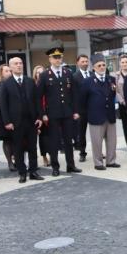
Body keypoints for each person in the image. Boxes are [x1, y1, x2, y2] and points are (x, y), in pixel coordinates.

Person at [35, 47, 81, 177]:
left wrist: (76, 110)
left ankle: (71, 165)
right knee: (54, 141)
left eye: (59, 57)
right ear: (50, 59)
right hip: (52, 114)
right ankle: (55, 167)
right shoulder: (45, 75)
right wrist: (42, 114)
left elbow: (74, 94)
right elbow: (38, 97)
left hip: (67, 113)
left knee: (68, 140)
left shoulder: (68, 73)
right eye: (55, 57)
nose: (57, 60)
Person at [1, 58, 44, 183]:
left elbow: (37, 101)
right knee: (18, 148)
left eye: (20, 63)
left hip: (31, 120)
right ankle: (22, 173)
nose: (19, 65)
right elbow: (3, 105)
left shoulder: (30, 81)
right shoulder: (6, 84)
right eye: (16, 64)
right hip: (15, 122)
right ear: (10, 67)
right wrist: (7, 122)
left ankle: (33, 171)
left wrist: (39, 117)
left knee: (32, 147)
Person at [80, 54, 119, 171]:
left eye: (103, 65)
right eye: (99, 65)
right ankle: (98, 162)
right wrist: (86, 114)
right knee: (97, 142)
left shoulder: (111, 79)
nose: (102, 67)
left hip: (110, 115)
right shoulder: (87, 82)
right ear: (94, 68)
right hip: (96, 116)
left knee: (112, 141)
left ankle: (111, 161)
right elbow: (82, 100)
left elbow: (113, 95)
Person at [0, 65, 16, 172]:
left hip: (16, 116)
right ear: (1, 73)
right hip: (4, 116)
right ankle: (10, 162)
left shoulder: (15, 83)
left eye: (10, 71)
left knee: (16, 139)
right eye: (6, 71)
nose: (9, 72)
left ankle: (18, 160)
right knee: (7, 140)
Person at [72, 54, 91, 163]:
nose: (85, 63)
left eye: (86, 61)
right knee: (81, 133)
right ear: (78, 63)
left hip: (93, 109)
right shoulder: (74, 77)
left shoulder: (93, 74)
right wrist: (75, 110)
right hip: (81, 110)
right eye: (82, 61)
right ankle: (82, 153)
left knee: (96, 132)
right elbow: (73, 95)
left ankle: (98, 152)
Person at [115, 55, 127, 155]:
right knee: (126, 127)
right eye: (122, 62)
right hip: (123, 105)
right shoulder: (117, 76)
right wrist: (123, 101)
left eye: (126, 62)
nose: (124, 64)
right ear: (120, 64)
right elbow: (116, 91)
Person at [32, 65, 51, 168]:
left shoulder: (48, 83)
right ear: (35, 74)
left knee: (52, 137)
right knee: (42, 138)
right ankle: (44, 157)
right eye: (37, 72)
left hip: (50, 113)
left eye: (41, 72)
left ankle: (52, 154)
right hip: (39, 115)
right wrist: (40, 115)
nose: (39, 74)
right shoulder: (32, 85)